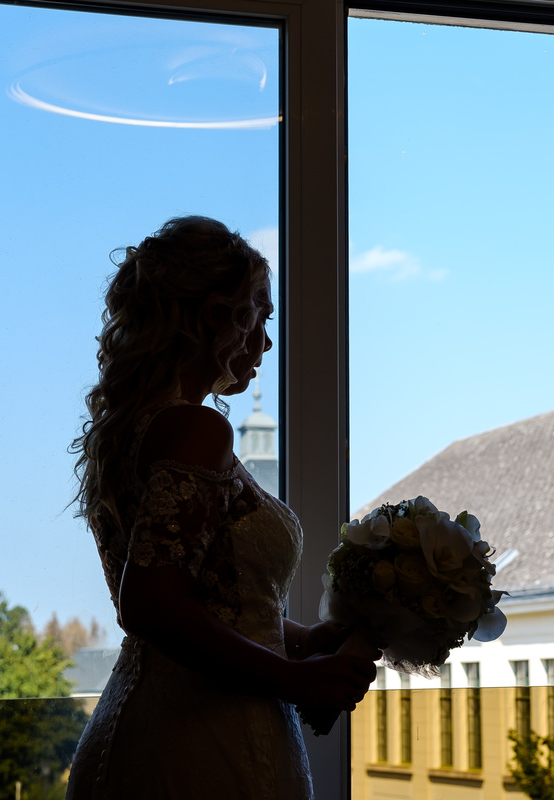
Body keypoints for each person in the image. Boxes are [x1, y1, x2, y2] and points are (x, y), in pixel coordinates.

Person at [65, 216, 377, 798]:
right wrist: (291, 679)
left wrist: (301, 640)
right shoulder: (194, 429)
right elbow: (151, 605)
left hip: (144, 724)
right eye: (261, 316)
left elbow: (206, 596)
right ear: (216, 316)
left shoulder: (131, 429)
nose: (266, 342)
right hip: (202, 743)